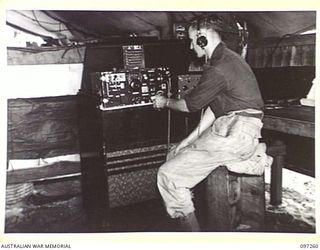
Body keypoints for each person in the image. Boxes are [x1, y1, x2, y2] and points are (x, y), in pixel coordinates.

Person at [152, 15, 272, 231]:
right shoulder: (224, 59)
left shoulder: (219, 67)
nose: (190, 46)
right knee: (175, 153)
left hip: (238, 131)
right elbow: (215, 108)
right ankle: (248, 156)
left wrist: (164, 102)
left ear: (202, 38)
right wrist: (186, 141)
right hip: (230, 125)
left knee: (167, 175)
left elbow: (189, 106)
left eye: (191, 40)